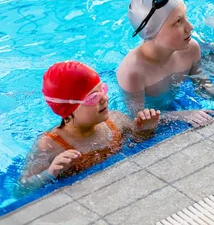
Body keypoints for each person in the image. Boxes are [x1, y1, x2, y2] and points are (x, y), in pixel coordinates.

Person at [20, 61, 160, 191]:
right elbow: (22, 188)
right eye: (93, 97)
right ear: (69, 108)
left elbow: (138, 144)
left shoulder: (116, 121)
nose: (105, 98)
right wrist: (50, 173)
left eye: (102, 90)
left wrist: (145, 129)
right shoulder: (50, 145)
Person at [117, 0, 214, 127]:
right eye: (178, 22)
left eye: (185, 17)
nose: (190, 27)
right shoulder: (133, 72)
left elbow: (200, 81)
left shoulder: (191, 49)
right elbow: (137, 118)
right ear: (151, 31)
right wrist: (181, 115)